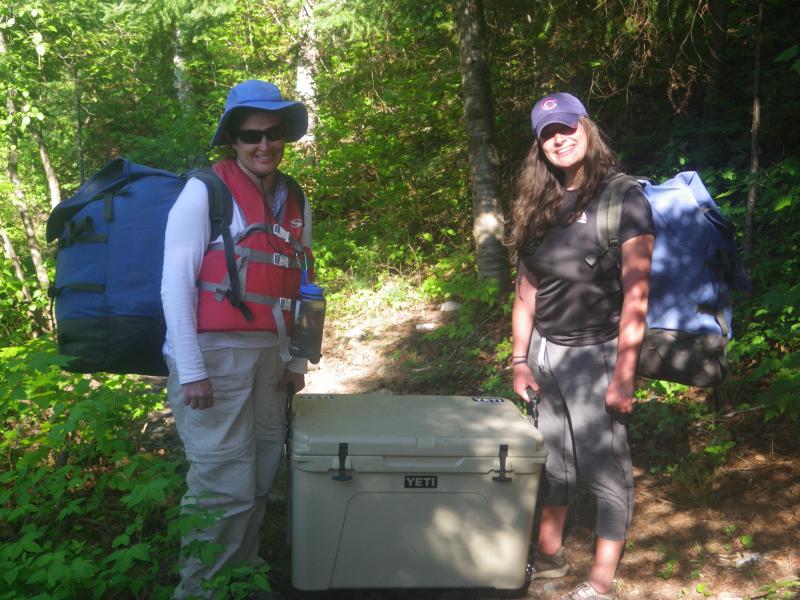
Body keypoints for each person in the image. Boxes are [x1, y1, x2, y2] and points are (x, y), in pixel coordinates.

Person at [161, 79, 312, 599]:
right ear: (233, 139)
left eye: (274, 132)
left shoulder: (294, 197)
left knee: (261, 473)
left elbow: (303, 284)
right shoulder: (205, 191)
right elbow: (175, 284)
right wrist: (191, 371)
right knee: (221, 483)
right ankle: (201, 590)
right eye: (251, 135)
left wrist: (298, 361)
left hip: (272, 356)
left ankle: (242, 580)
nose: (264, 144)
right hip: (213, 358)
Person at [508, 93, 654, 600]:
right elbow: (527, 290)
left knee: (605, 471)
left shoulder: (622, 198)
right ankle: (549, 560)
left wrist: (624, 374)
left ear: (586, 128)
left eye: (567, 127)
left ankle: (600, 582)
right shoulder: (538, 204)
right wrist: (520, 359)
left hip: (597, 356)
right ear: (539, 146)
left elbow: (637, 294)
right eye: (548, 134)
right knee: (552, 464)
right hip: (545, 355)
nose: (559, 139)